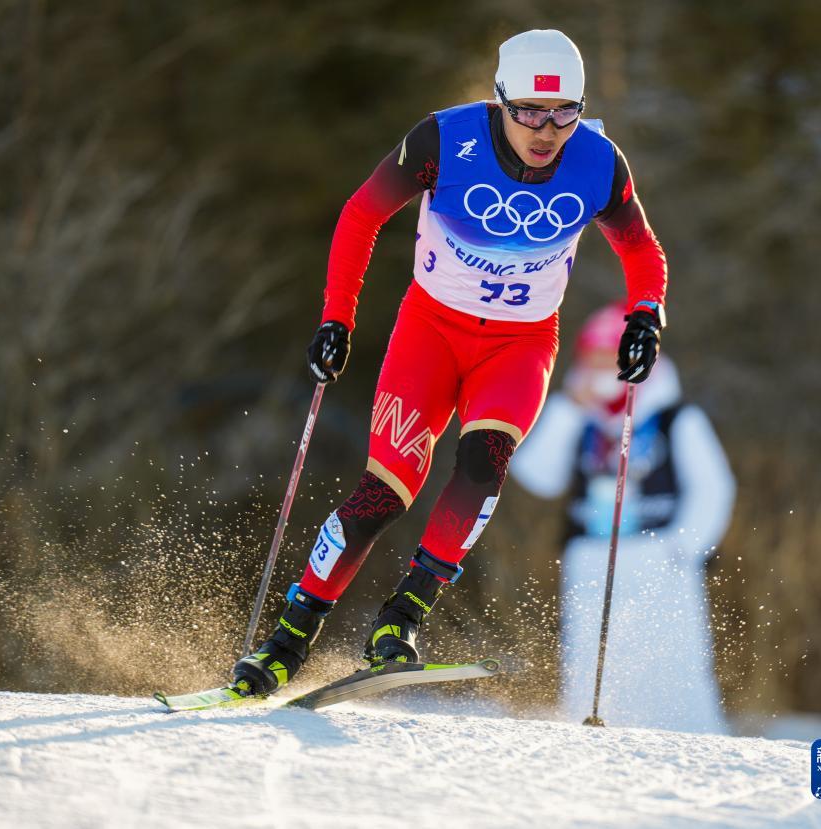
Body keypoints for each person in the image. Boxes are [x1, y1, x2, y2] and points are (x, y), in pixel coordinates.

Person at [232, 29, 669, 696]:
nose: (545, 130)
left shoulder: (599, 163)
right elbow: (360, 215)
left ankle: (400, 620)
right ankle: (289, 635)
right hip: (429, 334)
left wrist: (645, 313)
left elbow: (641, 252)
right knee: (385, 491)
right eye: (527, 110)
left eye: (563, 113)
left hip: (519, 344)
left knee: (481, 464)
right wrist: (336, 318)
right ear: (498, 103)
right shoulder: (442, 140)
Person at [511, 303, 736, 732]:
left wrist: (683, 549)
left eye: (605, 357)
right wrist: (566, 410)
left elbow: (713, 487)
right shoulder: (580, 420)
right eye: (589, 359)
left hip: (659, 559)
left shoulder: (677, 418)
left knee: (674, 664)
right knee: (590, 662)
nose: (595, 369)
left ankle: (692, 744)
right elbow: (536, 476)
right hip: (590, 560)